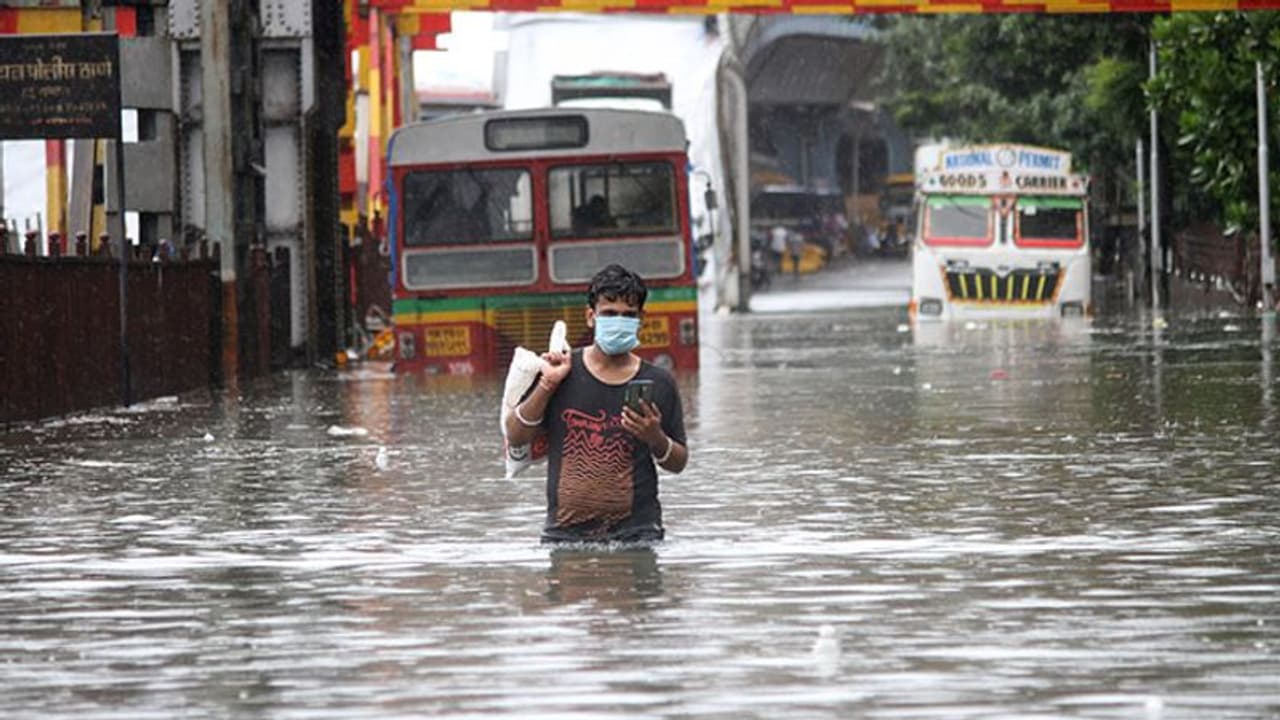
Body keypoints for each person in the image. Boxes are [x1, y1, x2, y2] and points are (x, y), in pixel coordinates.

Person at [503, 264, 688, 544]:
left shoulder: (659, 382)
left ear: (641, 319)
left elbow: (678, 463)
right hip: (565, 536)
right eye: (609, 313)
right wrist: (547, 384)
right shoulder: (560, 371)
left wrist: (655, 437)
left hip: (637, 536)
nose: (619, 321)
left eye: (628, 315)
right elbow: (516, 437)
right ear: (591, 317)